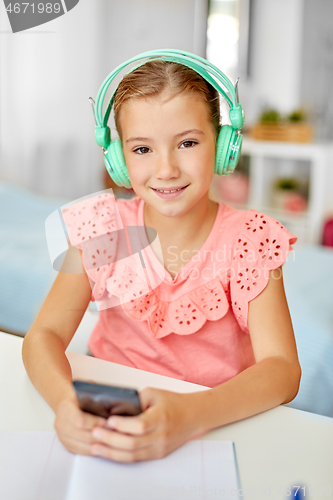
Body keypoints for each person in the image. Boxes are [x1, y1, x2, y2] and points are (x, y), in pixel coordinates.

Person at [22, 52, 301, 464]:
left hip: (217, 423)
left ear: (224, 146)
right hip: (115, 423)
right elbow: (41, 337)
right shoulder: (102, 228)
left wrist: (190, 415)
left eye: (187, 143)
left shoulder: (249, 240)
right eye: (142, 149)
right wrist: (66, 403)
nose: (166, 169)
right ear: (117, 159)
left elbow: (282, 369)